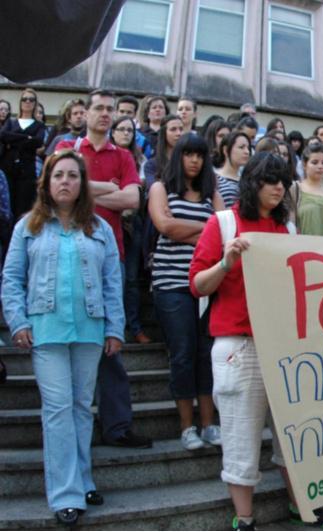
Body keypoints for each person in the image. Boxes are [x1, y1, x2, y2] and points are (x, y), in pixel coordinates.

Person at [190, 152, 323, 530]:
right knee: (240, 435)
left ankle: (303, 507)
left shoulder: (288, 231)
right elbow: (197, 285)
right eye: (271, 180)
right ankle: (244, 519)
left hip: (284, 346)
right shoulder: (224, 223)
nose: (279, 187)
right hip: (240, 347)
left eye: (282, 181)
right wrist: (226, 262)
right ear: (252, 183)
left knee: (295, 434)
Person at [1, 150, 124, 526]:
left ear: (82, 184)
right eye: (59, 176)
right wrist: (17, 320)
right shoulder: (28, 226)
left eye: (73, 175)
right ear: (47, 183)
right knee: (57, 410)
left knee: (80, 408)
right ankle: (66, 495)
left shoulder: (99, 228)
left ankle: (83, 479)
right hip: (46, 330)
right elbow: (11, 278)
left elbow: (111, 282)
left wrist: (115, 327)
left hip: (89, 328)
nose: (66, 182)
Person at [55, 89, 151, 449]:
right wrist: (105, 188)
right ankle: (70, 426)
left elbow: (131, 199)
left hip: (110, 254)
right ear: (84, 112)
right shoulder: (67, 148)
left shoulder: (123, 154)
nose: (105, 114)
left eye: (110, 110)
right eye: (99, 108)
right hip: (66, 252)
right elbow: (56, 192)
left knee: (112, 339)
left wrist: (85, 190)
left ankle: (117, 426)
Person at [148, 133, 224, 449]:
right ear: (178, 156)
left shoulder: (212, 192)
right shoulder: (160, 187)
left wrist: (191, 230)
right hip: (171, 283)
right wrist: (207, 230)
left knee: (206, 354)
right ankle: (186, 427)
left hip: (206, 283)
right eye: (188, 154)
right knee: (182, 353)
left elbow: (225, 229)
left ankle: (208, 424)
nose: (194, 160)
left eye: (200, 155)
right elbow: (164, 227)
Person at [110, 115, 150, 345]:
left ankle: (134, 327)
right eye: (121, 129)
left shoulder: (139, 158)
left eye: (130, 130)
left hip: (133, 223)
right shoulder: (105, 156)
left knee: (132, 278)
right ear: (112, 132)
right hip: (109, 221)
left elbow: (135, 194)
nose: (126, 133)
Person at [0, 88, 47, 218]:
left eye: (31, 99)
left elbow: (38, 141)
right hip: (8, 170)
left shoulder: (39, 125)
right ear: (20, 102)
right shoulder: (11, 122)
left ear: (35, 103)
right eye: (24, 99)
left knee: (23, 209)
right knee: (7, 208)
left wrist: (14, 138)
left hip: (27, 173)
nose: (27, 102)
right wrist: (27, 138)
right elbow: (3, 135)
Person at [144, 114, 185, 188]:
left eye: (181, 129)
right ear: (164, 133)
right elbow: (153, 189)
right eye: (173, 129)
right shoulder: (151, 165)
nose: (179, 133)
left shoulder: (190, 162)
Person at [215, 131, 251, 208]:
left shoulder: (247, 180)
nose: (247, 152)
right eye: (241, 147)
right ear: (225, 150)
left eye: (248, 148)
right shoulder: (214, 177)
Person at [115, 95, 153, 159]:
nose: (125, 115)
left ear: (135, 114)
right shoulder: (105, 136)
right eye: (122, 111)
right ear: (116, 112)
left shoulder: (143, 142)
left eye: (129, 112)